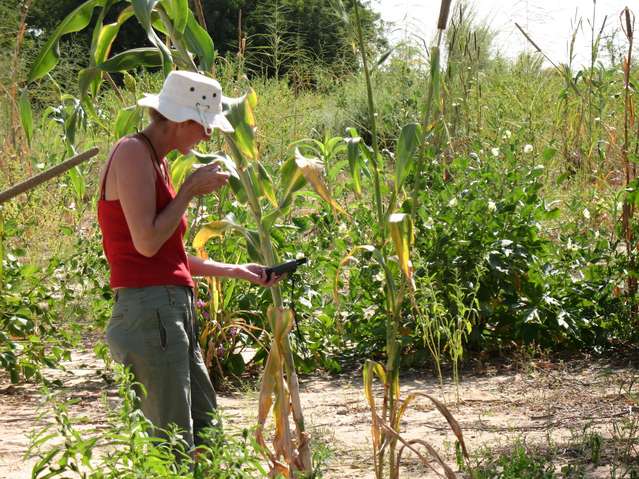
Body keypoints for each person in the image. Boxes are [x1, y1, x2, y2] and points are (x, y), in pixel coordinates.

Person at [98, 70, 281, 450]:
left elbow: (167, 255)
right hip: (150, 312)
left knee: (206, 430)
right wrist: (189, 191)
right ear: (181, 120)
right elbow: (147, 243)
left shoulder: (155, 160)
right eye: (204, 125)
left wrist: (234, 271)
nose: (208, 135)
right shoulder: (132, 153)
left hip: (168, 309)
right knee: (172, 441)